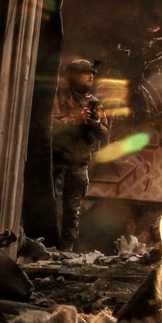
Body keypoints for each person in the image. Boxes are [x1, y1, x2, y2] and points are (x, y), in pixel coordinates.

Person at [51, 58, 108, 250]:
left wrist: (95, 123)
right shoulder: (58, 97)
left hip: (79, 164)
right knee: (53, 207)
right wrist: (73, 119)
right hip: (58, 163)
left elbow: (104, 133)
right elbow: (50, 127)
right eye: (86, 72)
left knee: (73, 211)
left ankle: (66, 250)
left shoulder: (94, 103)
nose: (91, 76)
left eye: (92, 73)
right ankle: (50, 248)